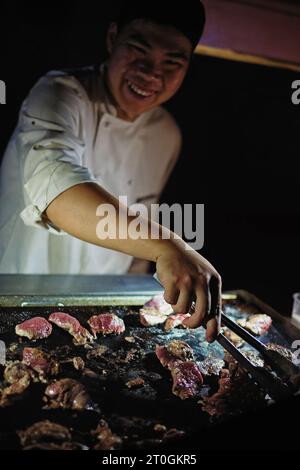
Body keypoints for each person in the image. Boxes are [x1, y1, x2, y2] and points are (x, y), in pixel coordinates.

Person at [0, 1, 222, 342]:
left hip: (99, 311)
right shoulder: (60, 93)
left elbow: (136, 248)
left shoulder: (167, 133)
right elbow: (57, 192)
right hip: (19, 300)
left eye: (172, 63)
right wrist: (170, 246)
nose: (151, 74)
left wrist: (148, 290)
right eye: (138, 51)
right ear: (112, 38)